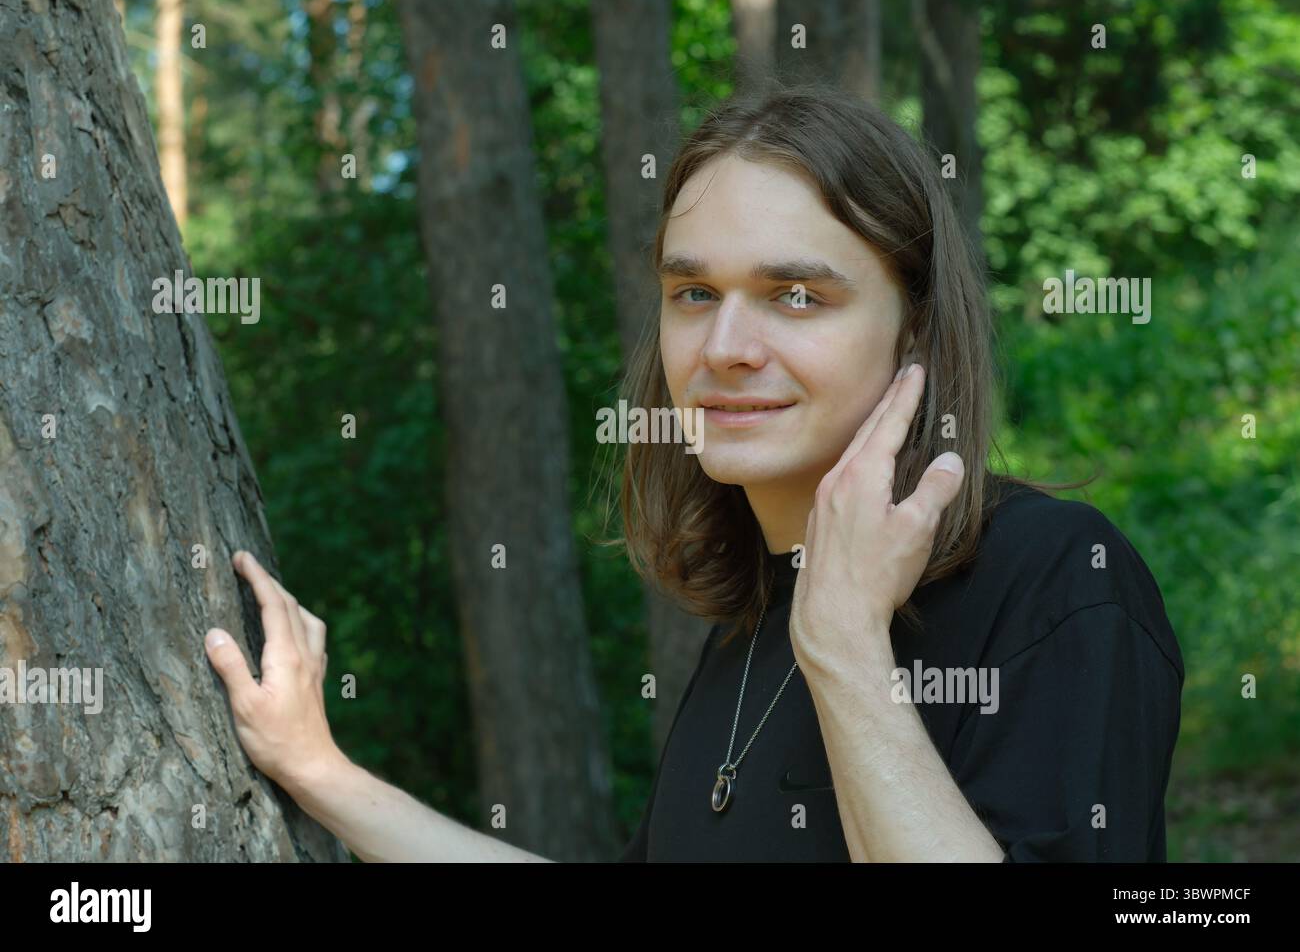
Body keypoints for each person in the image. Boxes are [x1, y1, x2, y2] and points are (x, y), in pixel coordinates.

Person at [204, 85, 1183, 862]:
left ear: (914, 324)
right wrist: (318, 767)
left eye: (795, 294)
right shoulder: (750, 629)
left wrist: (843, 647)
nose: (722, 344)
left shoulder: (1057, 579)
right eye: (692, 290)